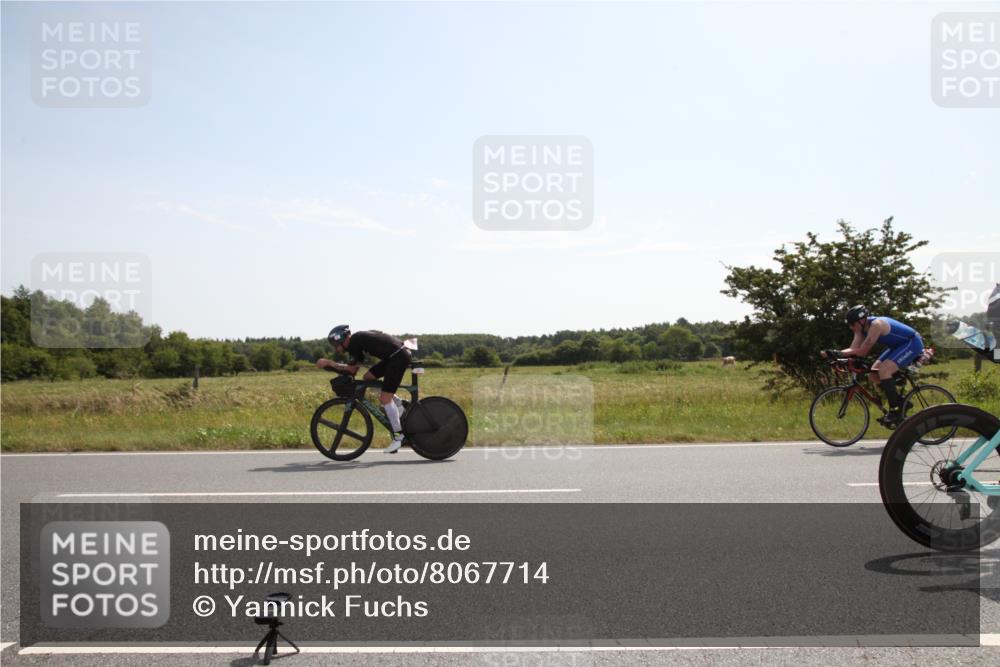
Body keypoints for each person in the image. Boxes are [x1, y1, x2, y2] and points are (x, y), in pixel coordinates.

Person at [823, 305, 925, 427]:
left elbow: (863, 351)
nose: (851, 327)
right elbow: (854, 350)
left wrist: (837, 352)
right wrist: (839, 358)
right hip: (897, 347)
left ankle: (894, 411)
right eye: (849, 325)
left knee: (884, 371)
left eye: (852, 324)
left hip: (912, 343)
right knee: (873, 374)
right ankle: (902, 402)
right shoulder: (860, 329)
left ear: (861, 321)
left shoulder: (876, 325)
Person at [316, 325, 411, 453]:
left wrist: (330, 363)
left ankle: (399, 437)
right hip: (396, 355)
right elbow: (353, 370)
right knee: (368, 377)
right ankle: (398, 403)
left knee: (385, 399)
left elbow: (351, 370)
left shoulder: (355, 341)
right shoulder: (357, 341)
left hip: (397, 357)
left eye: (335, 345)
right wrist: (334, 367)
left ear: (341, 340)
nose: (336, 349)